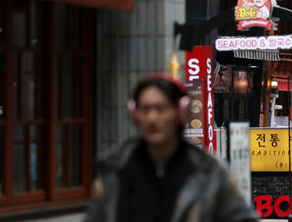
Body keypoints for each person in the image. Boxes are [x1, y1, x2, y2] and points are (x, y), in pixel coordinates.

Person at [85, 74, 258, 222]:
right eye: (145, 109)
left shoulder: (209, 172)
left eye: (161, 108)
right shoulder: (114, 170)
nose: (152, 118)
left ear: (180, 112)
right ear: (134, 114)